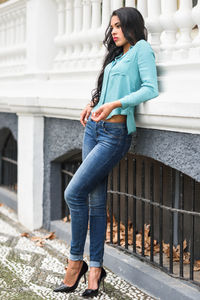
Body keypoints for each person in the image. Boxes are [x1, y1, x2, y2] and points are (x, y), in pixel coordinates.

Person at [54, 6, 158, 298]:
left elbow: (150, 88)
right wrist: (95, 102)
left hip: (114, 135)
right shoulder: (116, 56)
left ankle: (76, 263)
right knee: (96, 203)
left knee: (73, 193)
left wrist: (115, 105)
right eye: (111, 26)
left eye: (118, 25)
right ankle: (96, 271)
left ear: (131, 26)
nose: (113, 31)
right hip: (94, 131)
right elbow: (107, 88)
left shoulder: (141, 51)